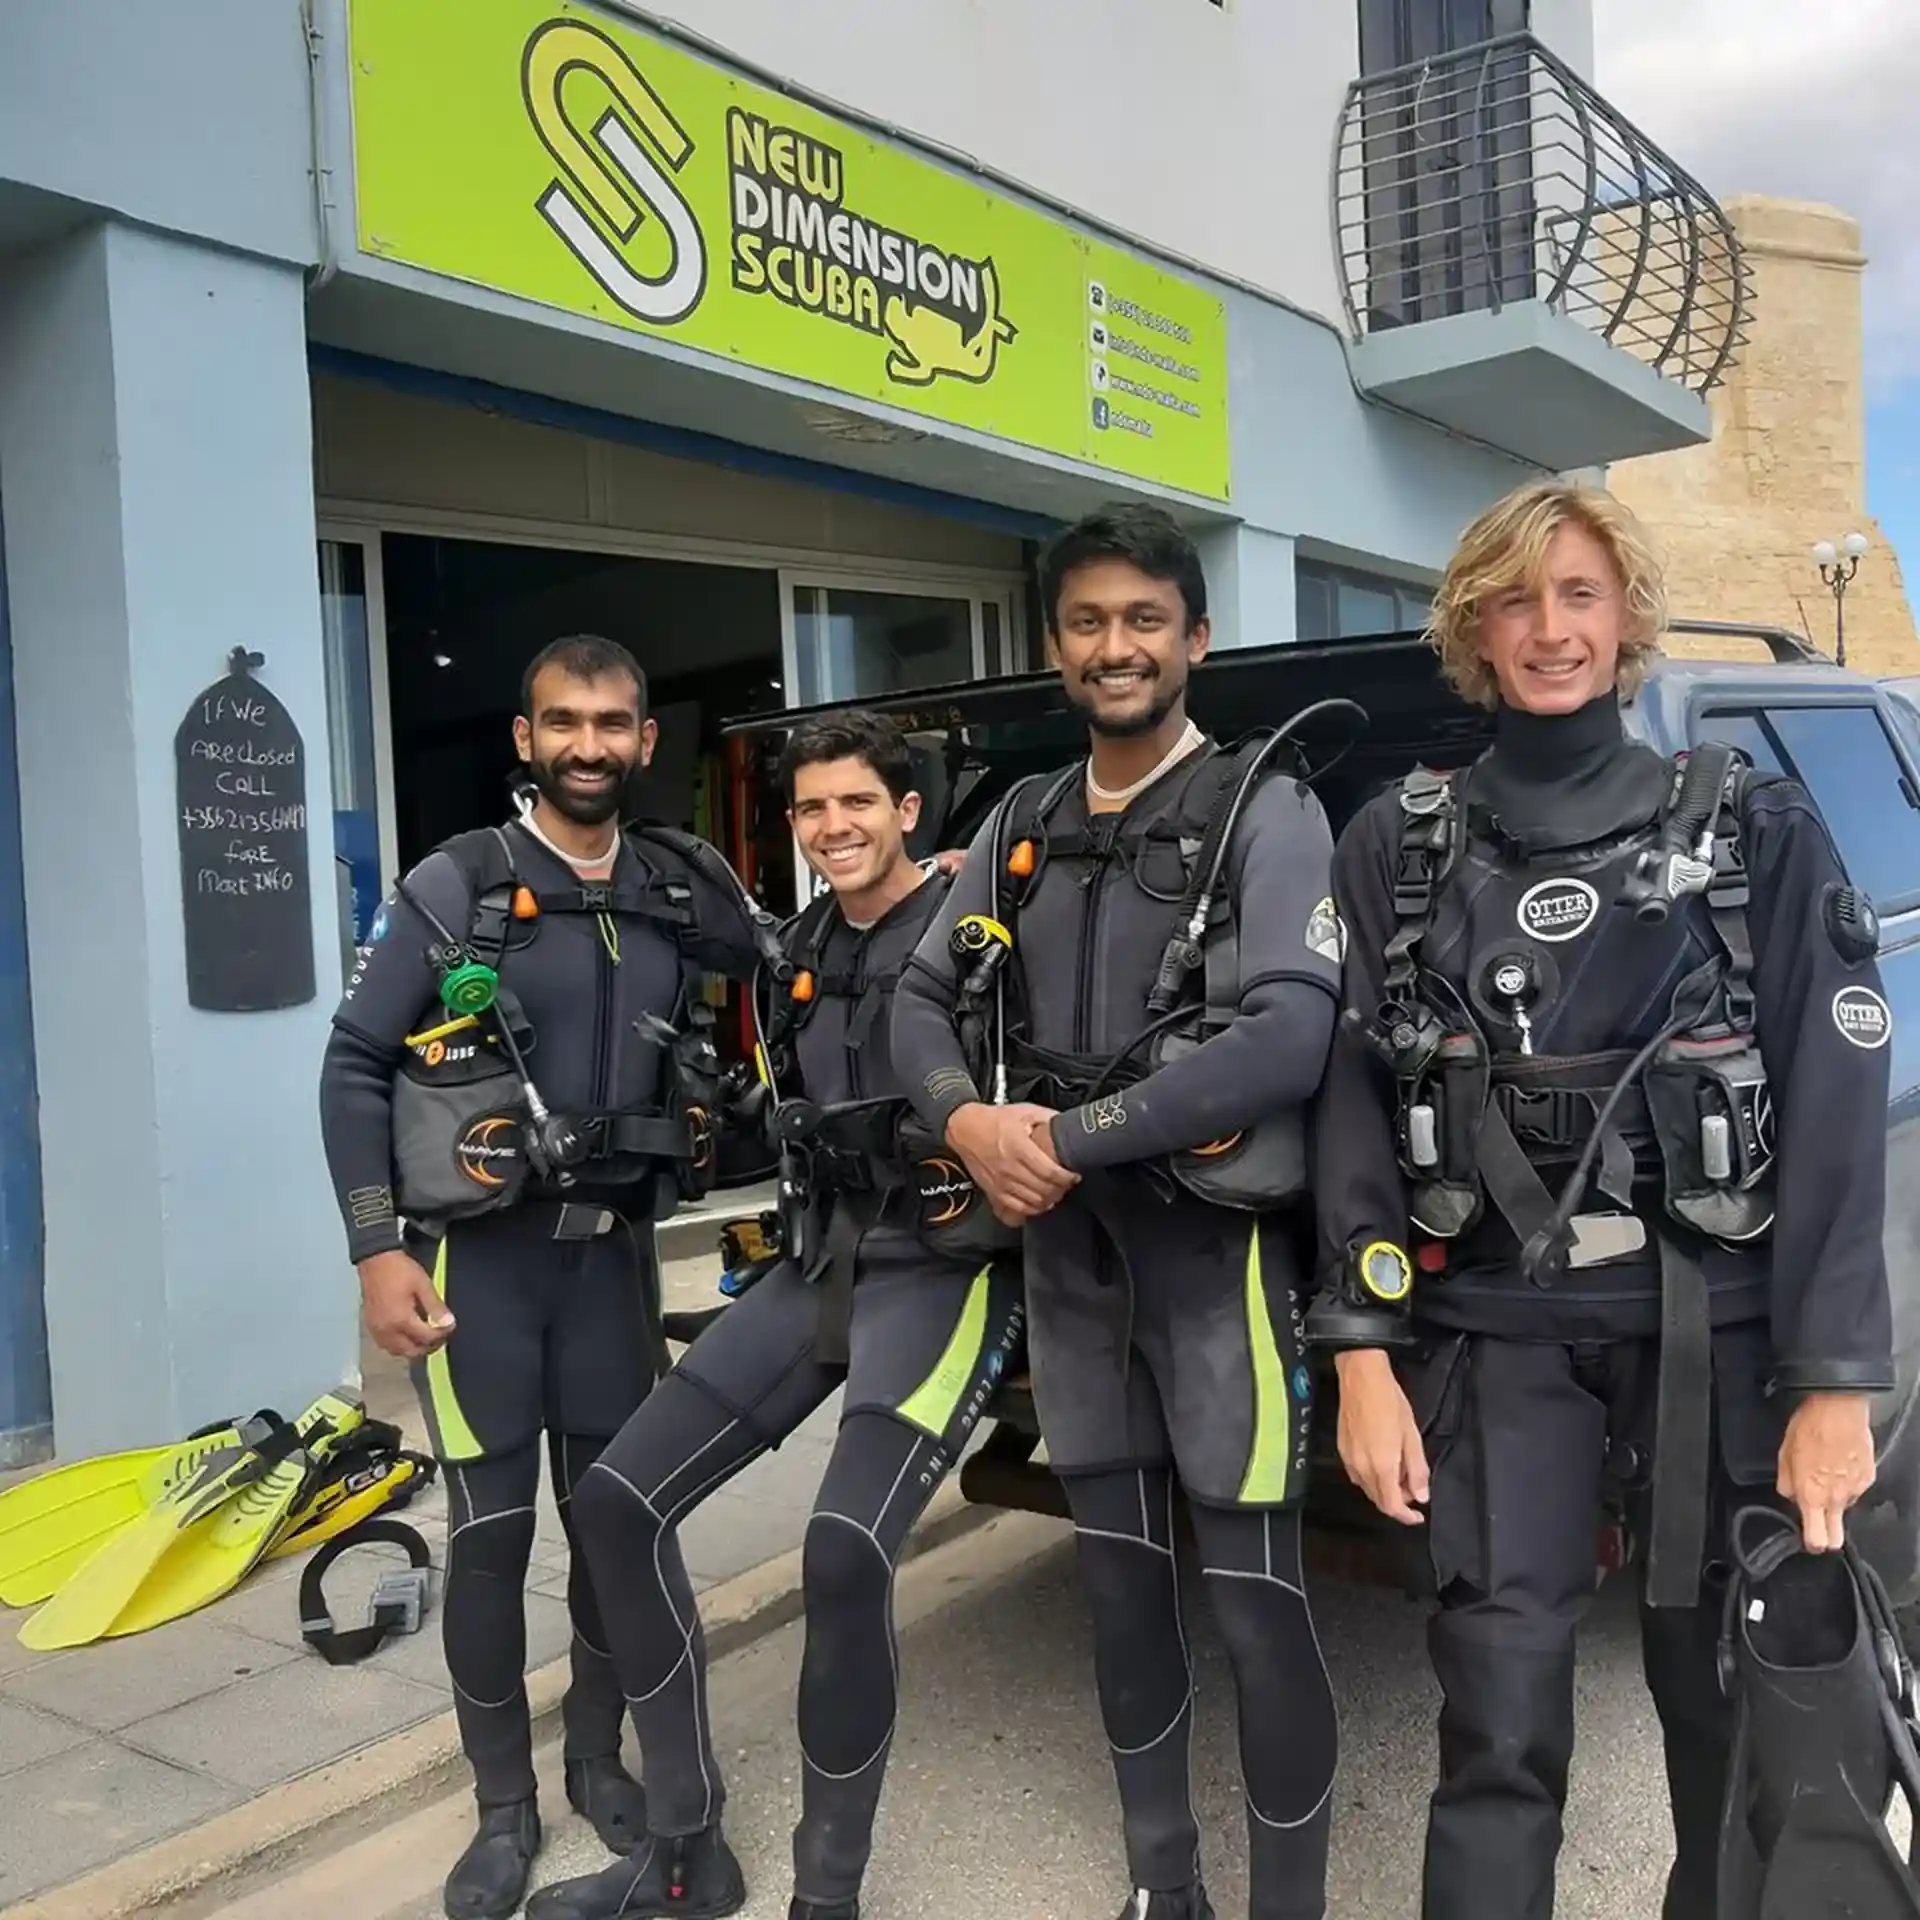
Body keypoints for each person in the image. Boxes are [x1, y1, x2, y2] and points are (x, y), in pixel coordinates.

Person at [1309, 479, 1895, 1920]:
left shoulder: (1752, 825)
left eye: (1580, 594)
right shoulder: (1401, 841)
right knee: (1498, 1727)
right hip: (1493, 1333)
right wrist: (1362, 1354)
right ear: (1471, 627)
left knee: (1724, 1718)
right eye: (1516, 598)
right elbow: (1346, 1111)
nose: (1551, 628)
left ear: (1627, 613)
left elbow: (1833, 1113)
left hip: (1721, 1330)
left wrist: (1835, 1384)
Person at [891, 503, 1343, 1920]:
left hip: (1217, 1272)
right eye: (1088, 622)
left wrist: (1067, 1140)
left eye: (1145, 619)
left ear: (1194, 639)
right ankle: (1169, 1888)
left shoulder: (1265, 810)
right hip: (1076, 1279)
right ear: (1055, 646)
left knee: (1261, 1611)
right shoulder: (1018, 825)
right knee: (1123, 1596)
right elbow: (919, 1000)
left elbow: (1287, 1036)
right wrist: (969, 1120)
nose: (1115, 646)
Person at [525, 710, 1025, 1920]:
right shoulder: (793, 945)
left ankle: (826, 1896)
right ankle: (684, 1850)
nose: (833, 826)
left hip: (949, 1264)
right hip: (822, 1255)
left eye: (859, 801)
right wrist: (732, 1114)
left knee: (843, 1549)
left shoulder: (984, 936)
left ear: (911, 813)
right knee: (614, 1503)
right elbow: (797, 1105)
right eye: (811, 808)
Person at [320, 635, 769, 1920]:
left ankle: (592, 1756)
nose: (588, 743)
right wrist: (375, 1246)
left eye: (612, 722)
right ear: (525, 738)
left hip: (613, 1268)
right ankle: (502, 1809)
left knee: (617, 1531)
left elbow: (809, 959)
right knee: (492, 1543)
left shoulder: (683, 890)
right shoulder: (456, 884)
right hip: (482, 1272)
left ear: (643, 740)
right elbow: (354, 1065)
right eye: (562, 721)